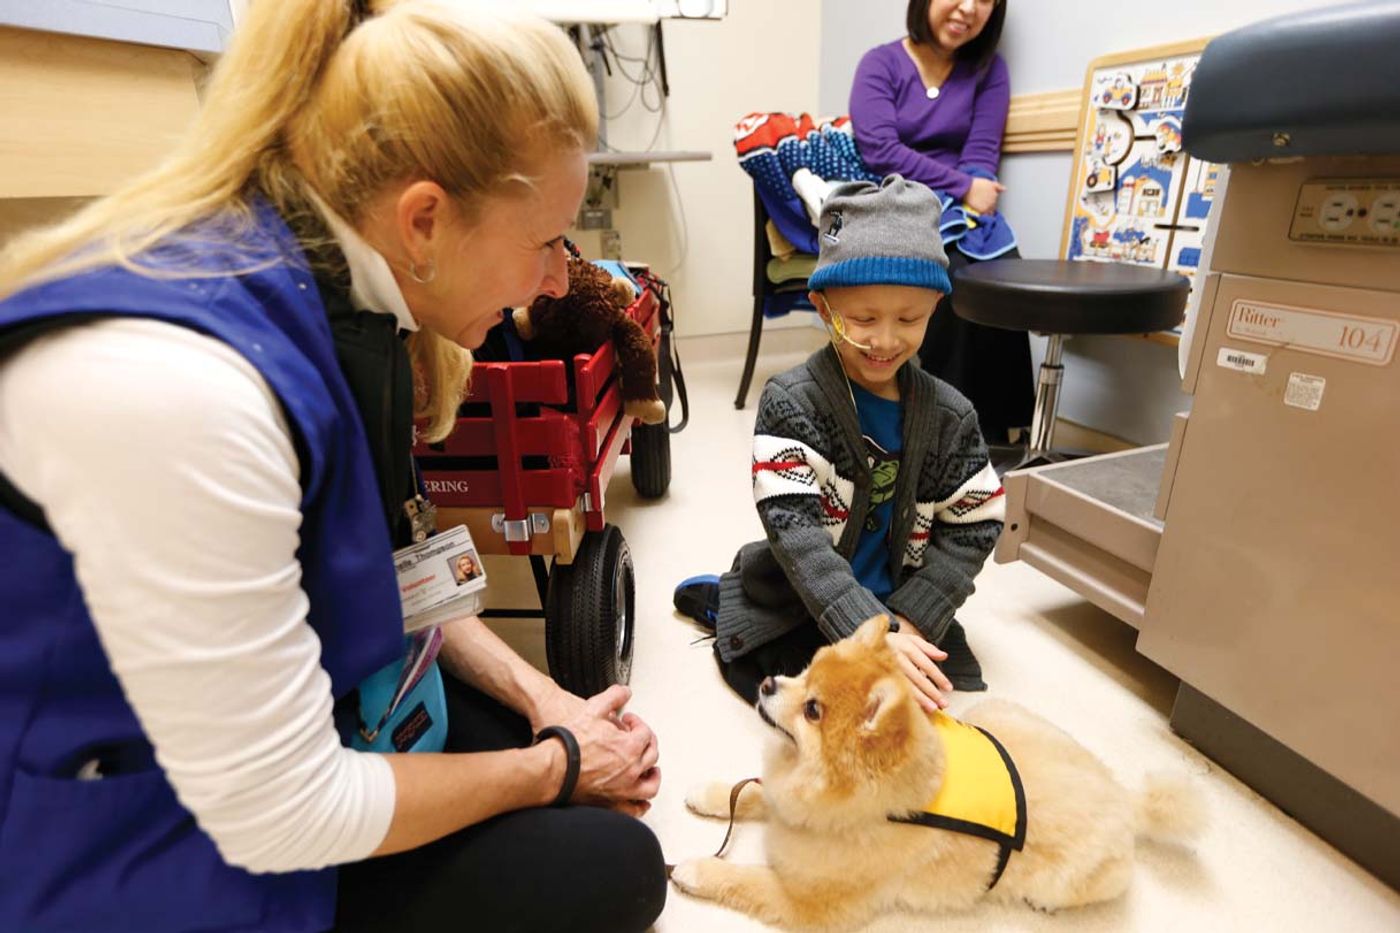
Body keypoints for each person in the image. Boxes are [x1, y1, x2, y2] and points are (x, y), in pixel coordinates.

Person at [0, 2, 665, 932]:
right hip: (143, 836)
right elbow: (285, 814)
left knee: (596, 822)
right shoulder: (184, 388)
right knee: (610, 862)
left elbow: (392, 563)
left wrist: (545, 697)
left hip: (293, 710)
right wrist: (554, 763)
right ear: (424, 218)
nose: (562, 279)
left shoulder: (353, 301)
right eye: (549, 238)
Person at [675, 176, 1006, 712]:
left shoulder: (951, 416)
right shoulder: (791, 402)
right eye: (864, 318)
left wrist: (912, 621)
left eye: (909, 319)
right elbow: (796, 532)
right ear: (824, 309)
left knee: (938, 697)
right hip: (806, 597)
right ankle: (728, 599)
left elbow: (976, 522)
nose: (885, 340)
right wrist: (869, 636)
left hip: (900, 603)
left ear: (935, 309)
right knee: (801, 694)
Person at [849, 0, 1033, 444]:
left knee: (999, 269)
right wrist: (961, 185)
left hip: (960, 205)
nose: (969, 8)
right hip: (893, 198)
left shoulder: (990, 70)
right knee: (944, 270)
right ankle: (950, 429)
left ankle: (998, 432)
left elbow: (982, 154)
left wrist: (975, 195)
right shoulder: (880, 63)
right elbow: (879, 151)